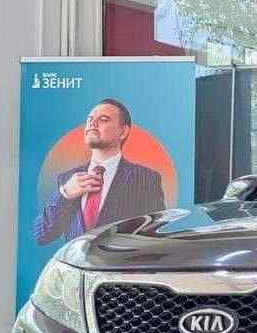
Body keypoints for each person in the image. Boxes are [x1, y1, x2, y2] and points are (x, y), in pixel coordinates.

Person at [32, 99, 165, 245]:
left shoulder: (146, 179)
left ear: (123, 131)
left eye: (103, 119)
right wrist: (65, 194)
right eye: (90, 119)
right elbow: (42, 235)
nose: (92, 123)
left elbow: (153, 240)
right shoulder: (66, 180)